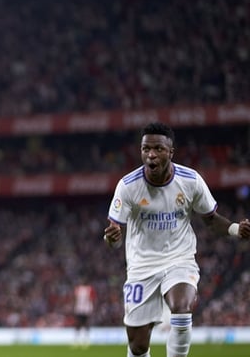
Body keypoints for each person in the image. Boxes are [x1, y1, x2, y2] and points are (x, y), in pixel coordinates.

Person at [103, 122, 250, 357]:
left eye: (158, 149)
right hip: (141, 267)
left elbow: (211, 219)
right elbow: (114, 237)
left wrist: (234, 229)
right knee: (138, 347)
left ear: (170, 152)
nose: (151, 154)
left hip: (179, 259)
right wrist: (112, 239)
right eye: (146, 149)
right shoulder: (128, 186)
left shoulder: (190, 181)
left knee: (181, 307)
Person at [72, 280, 95, 348]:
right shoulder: (78, 288)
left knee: (86, 324)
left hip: (86, 309)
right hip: (79, 308)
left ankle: (86, 340)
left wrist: (91, 307)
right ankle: (77, 340)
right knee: (78, 324)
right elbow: (75, 298)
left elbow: (92, 299)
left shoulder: (89, 289)